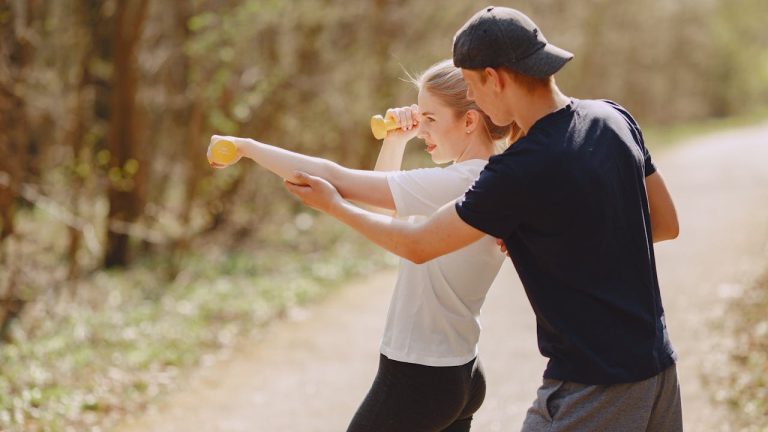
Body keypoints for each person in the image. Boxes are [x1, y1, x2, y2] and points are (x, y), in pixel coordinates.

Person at [284, 6, 682, 432]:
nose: (473, 100)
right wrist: (548, 236)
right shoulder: (614, 117)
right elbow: (664, 223)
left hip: (594, 387)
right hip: (659, 371)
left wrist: (334, 205)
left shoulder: (518, 170)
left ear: (494, 78)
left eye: (472, 86)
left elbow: (417, 244)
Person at [209, 59, 517, 431]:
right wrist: (395, 141)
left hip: (420, 375)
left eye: (430, 119)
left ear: (469, 121)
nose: (422, 130)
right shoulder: (489, 179)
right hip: (459, 371)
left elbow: (335, 178)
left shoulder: (458, 182)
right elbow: (381, 208)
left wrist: (244, 147)